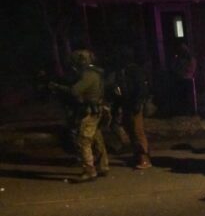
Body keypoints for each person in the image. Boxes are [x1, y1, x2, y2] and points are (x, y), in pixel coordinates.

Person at [49, 49, 110, 182]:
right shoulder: (97, 72)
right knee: (96, 138)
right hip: (97, 109)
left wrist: (58, 87)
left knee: (84, 140)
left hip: (90, 111)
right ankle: (103, 166)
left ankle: (89, 170)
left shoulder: (88, 75)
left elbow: (74, 91)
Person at [110, 48, 152, 169]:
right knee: (131, 130)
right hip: (126, 104)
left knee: (137, 131)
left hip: (134, 104)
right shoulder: (122, 71)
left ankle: (144, 158)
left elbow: (141, 88)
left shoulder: (134, 70)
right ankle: (138, 155)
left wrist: (138, 102)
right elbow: (119, 90)